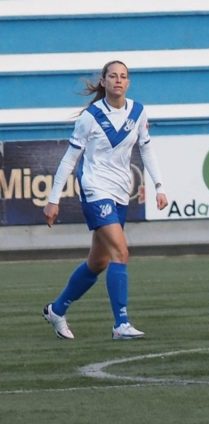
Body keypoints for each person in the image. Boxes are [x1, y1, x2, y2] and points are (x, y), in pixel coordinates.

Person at [42, 60, 168, 340]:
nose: (118, 81)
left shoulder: (138, 111)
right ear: (104, 81)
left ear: (128, 82)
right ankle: (120, 324)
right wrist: (53, 199)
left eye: (123, 76)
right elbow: (69, 159)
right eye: (113, 76)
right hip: (95, 189)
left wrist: (159, 185)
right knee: (121, 252)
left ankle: (57, 309)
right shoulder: (91, 116)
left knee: (98, 262)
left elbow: (146, 149)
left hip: (121, 191)